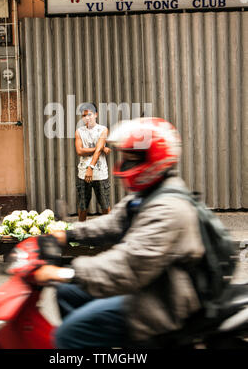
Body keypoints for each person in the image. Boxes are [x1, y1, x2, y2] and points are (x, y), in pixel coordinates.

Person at [33, 118, 223, 348]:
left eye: (131, 159)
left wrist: (64, 272)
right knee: (67, 292)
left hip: (162, 300)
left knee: (68, 334)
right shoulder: (147, 195)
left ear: (152, 160)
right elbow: (113, 223)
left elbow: (128, 265)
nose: (124, 165)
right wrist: (68, 234)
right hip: (149, 283)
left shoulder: (169, 208)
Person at [75, 102, 111, 221]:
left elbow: (92, 150)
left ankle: (108, 232)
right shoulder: (79, 131)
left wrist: (91, 167)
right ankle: (80, 231)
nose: (87, 118)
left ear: (95, 115)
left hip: (100, 174)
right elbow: (79, 151)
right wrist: (100, 148)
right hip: (83, 173)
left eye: (90, 114)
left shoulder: (103, 130)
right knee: (82, 206)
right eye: (84, 115)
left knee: (105, 206)